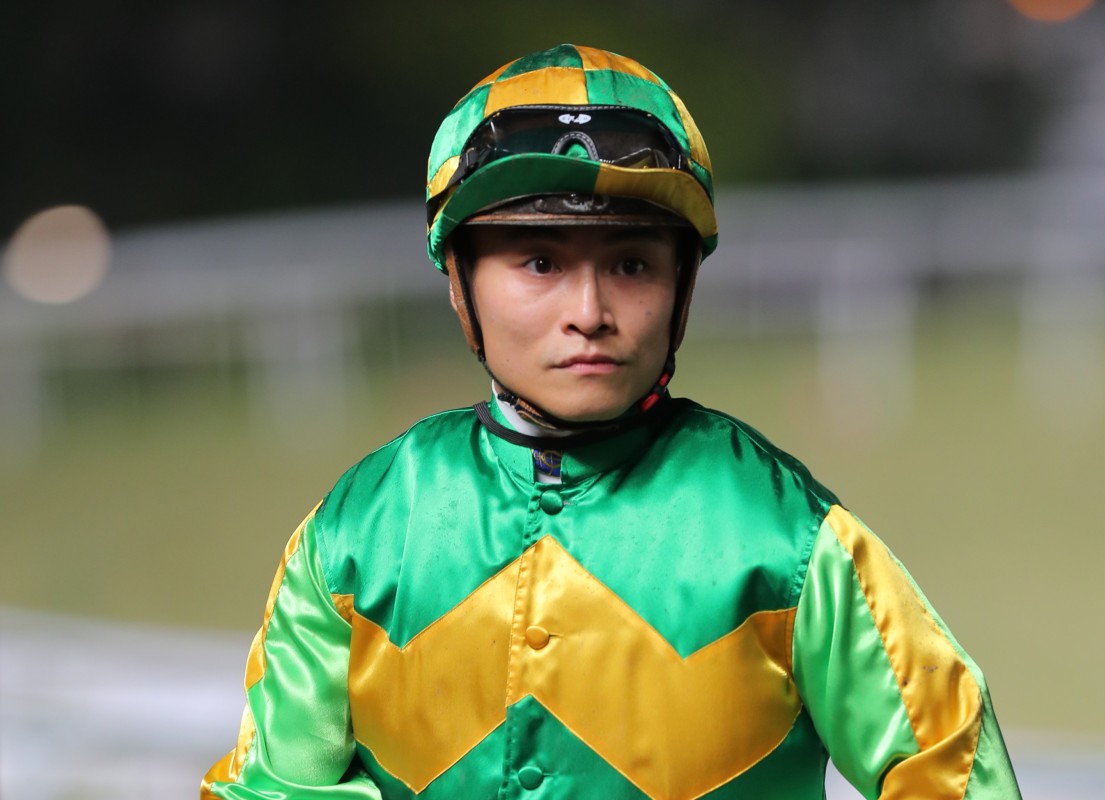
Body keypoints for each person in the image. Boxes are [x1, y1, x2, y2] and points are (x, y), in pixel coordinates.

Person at [202, 44, 1022, 800]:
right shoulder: (357, 531)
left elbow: (950, 767)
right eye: (539, 262)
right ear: (459, 282)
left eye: (630, 263)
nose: (589, 313)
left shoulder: (790, 540)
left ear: (682, 287)